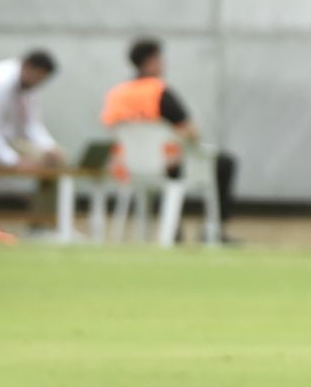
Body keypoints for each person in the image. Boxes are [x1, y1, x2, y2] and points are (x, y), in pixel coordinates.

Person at [100, 37, 238, 239]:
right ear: (151, 60)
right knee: (223, 162)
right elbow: (191, 131)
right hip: (166, 167)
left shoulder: (117, 93)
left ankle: (173, 228)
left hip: (128, 169)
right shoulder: (158, 91)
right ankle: (213, 228)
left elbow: (111, 127)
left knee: (165, 172)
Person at [0, 51, 63, 173]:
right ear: (26, 66)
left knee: (54, 159)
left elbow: (31, 124)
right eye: (38, 78)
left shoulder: (28, 85)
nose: (38, 83)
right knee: (40, 161)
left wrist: (49, 147)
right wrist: (13, 160)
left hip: (6, 140)